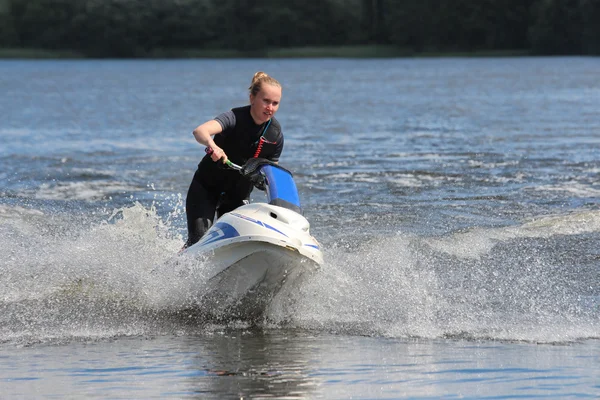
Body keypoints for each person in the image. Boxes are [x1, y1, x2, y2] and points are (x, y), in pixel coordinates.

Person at [183, 71, 284, 249]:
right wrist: (213, 146)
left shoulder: (275, 135)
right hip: (206, 188)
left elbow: (272, 174)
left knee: (234, 244)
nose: (270, 107)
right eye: (266, 101)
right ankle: (172, 271)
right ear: (252, 98)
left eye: (275, 103)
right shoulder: (234, 118)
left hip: (237, 197)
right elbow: (200, 131)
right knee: (197, 242)